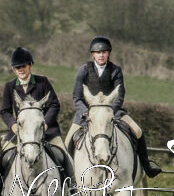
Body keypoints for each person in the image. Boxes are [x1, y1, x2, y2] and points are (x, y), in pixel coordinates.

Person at [0, 47, 78, 196]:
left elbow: (54, 104)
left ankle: (72, 188)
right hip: (21, 132)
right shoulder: (9, 86)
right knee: (4, 156)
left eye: (23, 66)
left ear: (30, 66)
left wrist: (46, 122)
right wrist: (13, 125)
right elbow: (4, 111)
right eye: (17, 67)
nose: (20, 70)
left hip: (46, 130)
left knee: (63, 154)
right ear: (14, 70)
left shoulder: (42, 82)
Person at [67, 36, 162, 177]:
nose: (101, 55)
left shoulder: (115, 70)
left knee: (137, 131)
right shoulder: (83, 70)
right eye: (98, 52)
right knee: (68, 140)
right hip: (88, 114)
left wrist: (111, 111)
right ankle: (69, 177)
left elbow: (120, 95)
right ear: (93, 54)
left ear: (108, 53)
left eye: (104, 52)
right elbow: (77, 97)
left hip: (112, 112)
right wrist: (85, 112)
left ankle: (147, 166)